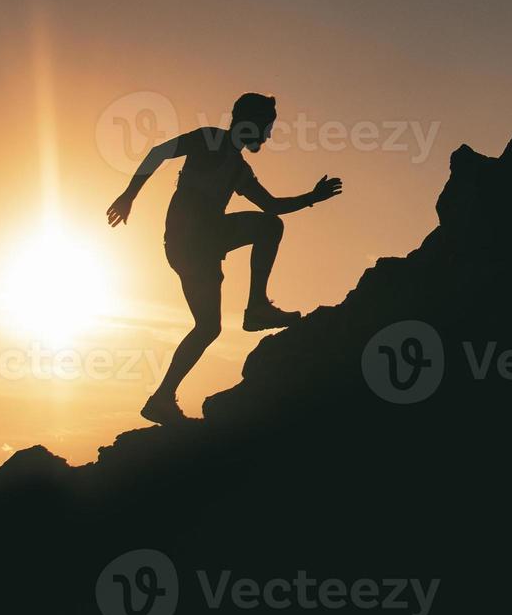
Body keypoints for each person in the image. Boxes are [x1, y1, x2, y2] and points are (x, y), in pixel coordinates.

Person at [106, 93, 343, 424]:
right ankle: (257, 308)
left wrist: (312, 198)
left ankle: (160, 399)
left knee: (207, 328)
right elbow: (160, 152)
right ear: (251, 123)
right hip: (193, 240)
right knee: (268, 228)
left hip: (194, 248)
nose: (267, 135)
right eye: (266, 127)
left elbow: (271, 204)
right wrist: (129, 195)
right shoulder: (210, 139)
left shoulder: (239, 169)